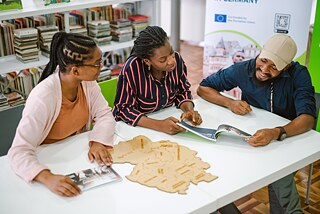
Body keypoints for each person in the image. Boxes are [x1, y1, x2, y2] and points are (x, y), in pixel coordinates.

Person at [197, 34, 316, 213]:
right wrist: (230, 103)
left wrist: (276, 132)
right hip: (249, 138)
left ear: (287, 66)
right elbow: (203, 88)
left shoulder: (299, 75)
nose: (264, 69)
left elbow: (307, 118)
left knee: (280, 177)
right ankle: (218, 204)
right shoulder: (244, 69)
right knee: (215, 167)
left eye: (274, 66)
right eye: (264, 60)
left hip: (285, 140)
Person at [8, 32, 116, 197]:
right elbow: (18, 151)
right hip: (48, 162)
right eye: (97, 64)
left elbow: (104, 115)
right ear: (75, 70)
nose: (101, 67)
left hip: (76, 156)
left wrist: (98, 142)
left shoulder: (88, 83)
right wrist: (47, 177)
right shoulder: (42, 97)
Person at [112, 26, 202, 134]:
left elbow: (182, 92)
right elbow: (124, 109)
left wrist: (189, 110)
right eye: (163, 59)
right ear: (147, 61)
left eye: (171, 53)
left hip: (165, 118)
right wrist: (159, 125)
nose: (171, 61)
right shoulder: (132, 68)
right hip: (133, 129)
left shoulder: (176, 60)